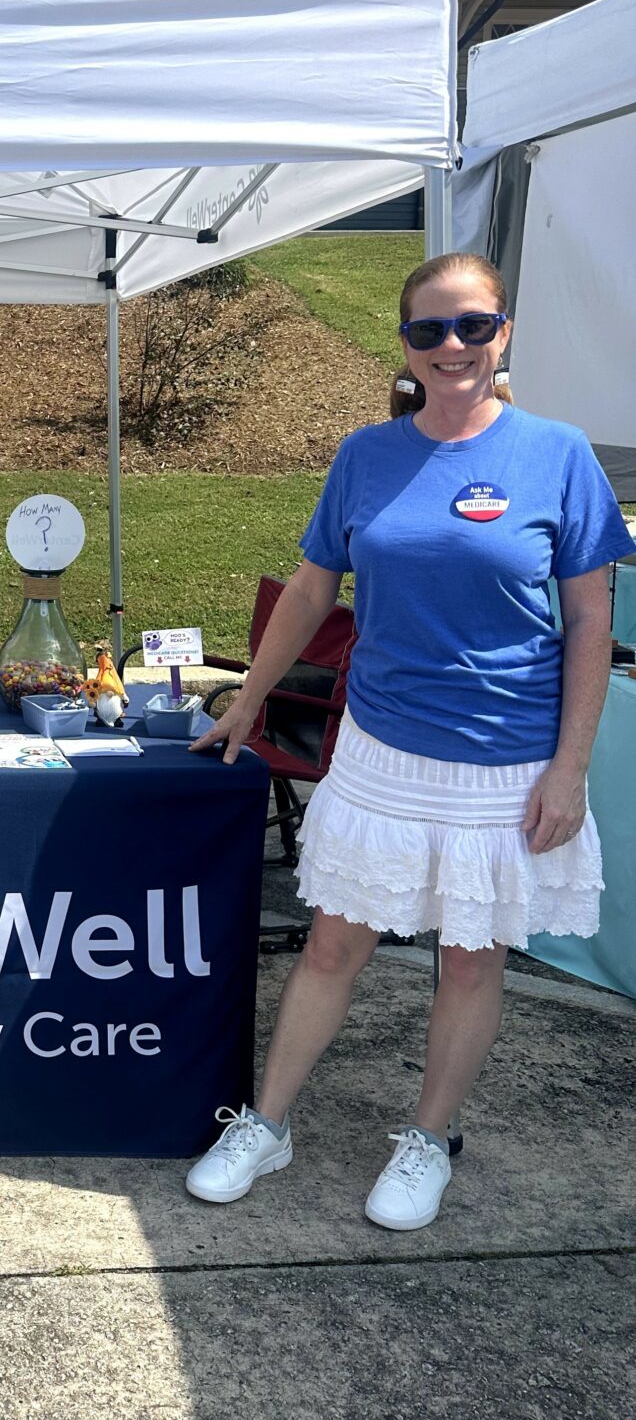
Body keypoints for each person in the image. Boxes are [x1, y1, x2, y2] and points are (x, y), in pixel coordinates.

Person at [186, 252, 630, 1230]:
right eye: (430, 330)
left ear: (504, 331)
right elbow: (312, 589)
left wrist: (569, 768)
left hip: (508, 758)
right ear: (405, 345)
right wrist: (250, 699)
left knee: (470, 957)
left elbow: (590, 624)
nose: (453, 347)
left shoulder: (558, 455)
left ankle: (429, 1136)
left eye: (473, 325)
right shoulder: (367, 455)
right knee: (334, 941)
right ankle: (267, 1121)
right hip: (381, 748)